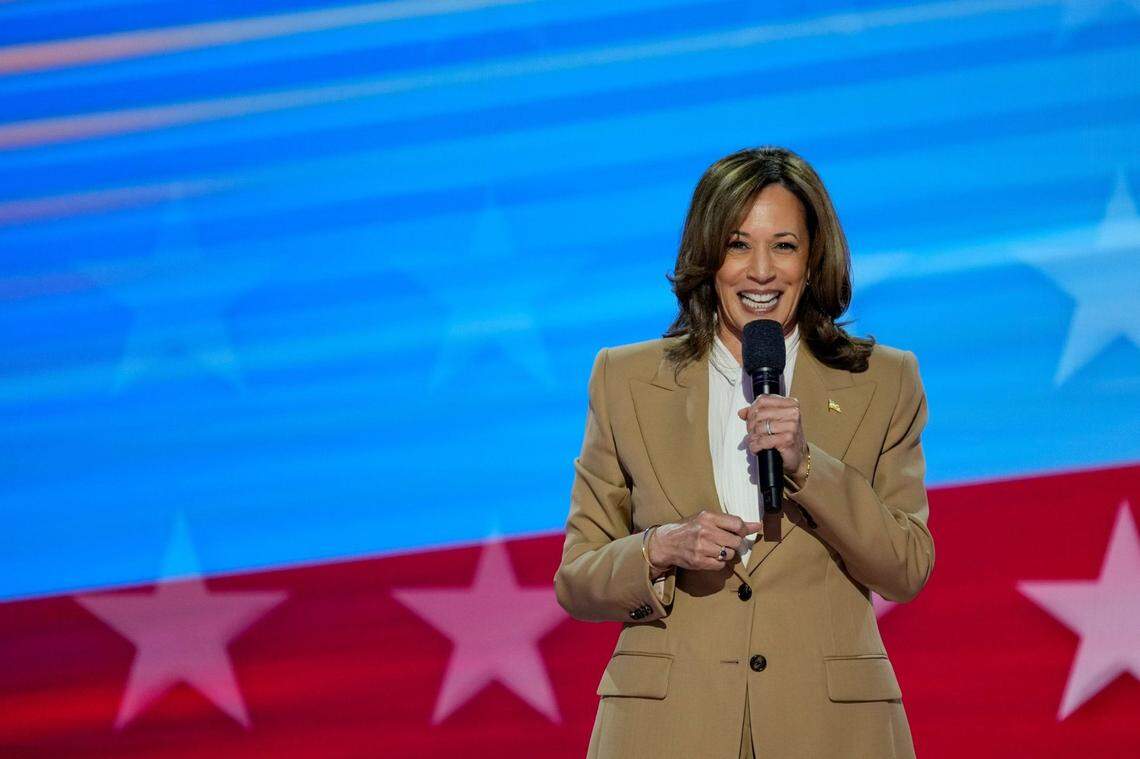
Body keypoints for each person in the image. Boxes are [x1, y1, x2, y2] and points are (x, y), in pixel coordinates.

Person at [554, 146, 934, 759]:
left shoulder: (884, 379)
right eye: (737, 245)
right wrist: (658, 549)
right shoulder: (623, 379)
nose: (761, 271)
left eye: (783, 246)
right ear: (707, 259)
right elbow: (576, 578)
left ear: (813, 261)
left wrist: (810, 468)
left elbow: (907, 567)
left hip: (831, 731)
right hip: (667, 730)